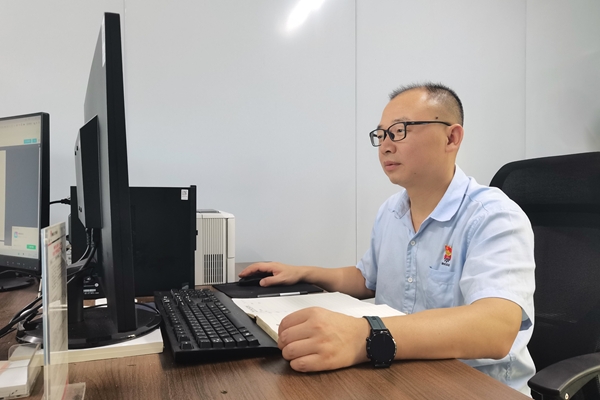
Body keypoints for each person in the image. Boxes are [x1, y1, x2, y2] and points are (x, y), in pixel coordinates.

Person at [240, 82, 536, 394]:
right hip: (400, 377)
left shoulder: (493, 215)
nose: (385, 146)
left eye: (399, 131)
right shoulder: (392, 211)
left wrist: (364, 335)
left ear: (451, 138)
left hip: (475, 388)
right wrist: (303, 273)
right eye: (381, 135)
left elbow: (496, 328)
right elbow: (367, 280)